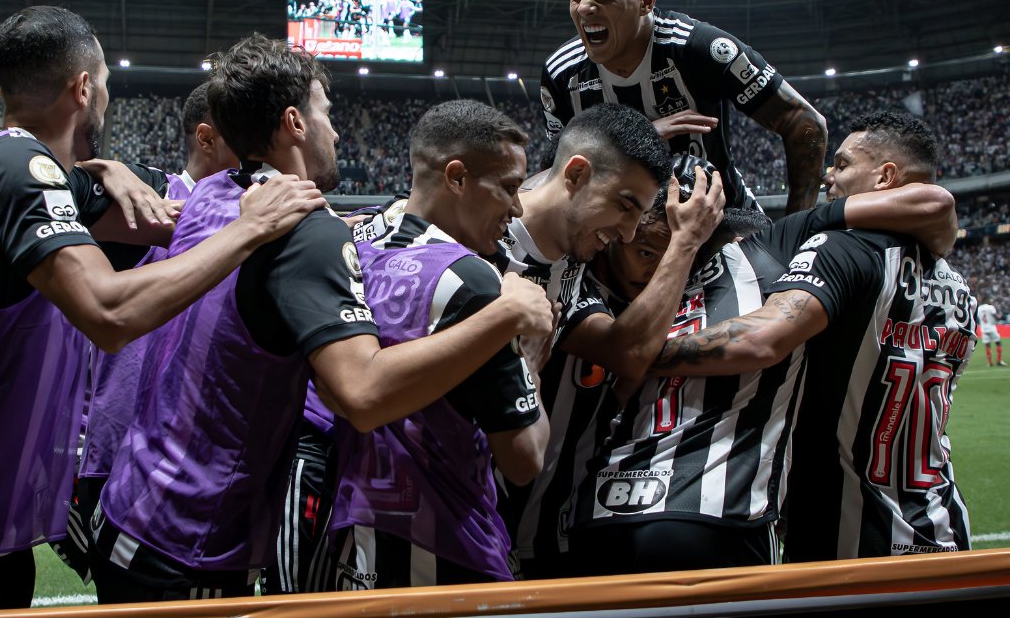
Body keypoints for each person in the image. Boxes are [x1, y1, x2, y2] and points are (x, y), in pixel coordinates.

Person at [0, 8, 324, 615]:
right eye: (106, 86)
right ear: (85, 88)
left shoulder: (11, 167)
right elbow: (109, 311)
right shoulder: (18, 167)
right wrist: (250, 230)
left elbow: (175, 219)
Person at [90, 35, 553, 603]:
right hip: (189, 540)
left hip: (128, 505)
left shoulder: (211, 193)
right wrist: (508, 312)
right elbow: (361, 392)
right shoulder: (307, 233)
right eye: (327, 114)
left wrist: (104, 167)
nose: (336, 131)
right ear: (295, 122)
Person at [567, 156, 958, 575]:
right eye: (644, 250)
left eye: (674, 249)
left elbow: (931, 204)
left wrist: (635, 358)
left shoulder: (770, 246)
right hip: (647, 516)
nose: (657, 267)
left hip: (674, 516)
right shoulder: (596, 276)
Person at [645, 110, 973, 561]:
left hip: (849, 530)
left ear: (886, 176)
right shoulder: (957, 284)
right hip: (941, 522)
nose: (827, 177)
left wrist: (644, 353)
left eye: (841, 165)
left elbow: (760, 338)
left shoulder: (841, 246)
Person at [491, 104, 724, 581]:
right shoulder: (476, 242)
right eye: (625, 205)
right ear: (577, 173)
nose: (628, 232)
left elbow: (624, 352)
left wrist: (627, 146)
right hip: (452, 516)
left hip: (545, 530)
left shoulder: (571, 268)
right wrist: (683, 243)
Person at [327, 100, 547, 589]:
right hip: (441, 540)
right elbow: (524, 458)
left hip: (348, 527)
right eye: (508, 187)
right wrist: (528, 353)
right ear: (456, 177)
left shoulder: (351, 243)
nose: (518, 207)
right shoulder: (474, 281)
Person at [49, 81, 242, 585]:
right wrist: (103, 168)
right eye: (245, 131)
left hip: (198, 460)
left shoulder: (257, 211)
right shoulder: (147, 192)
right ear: (207, 139)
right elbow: (44, 184)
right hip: (121, 453)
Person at [540, 0, 827, 213]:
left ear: (646, 1)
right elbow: (555, 173)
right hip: (614, 236)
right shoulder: (561, 74)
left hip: (724, 222)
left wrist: (796, 226)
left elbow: (803, 121)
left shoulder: (700, 49)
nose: (585, 8)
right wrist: (643, 136)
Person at [977, 300, 1005, 366]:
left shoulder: (979, 308)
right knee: (998, 343)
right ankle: (999, 361)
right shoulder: (990, 307)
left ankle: (990, 362)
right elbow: (996, 317)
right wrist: (1000, 316)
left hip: (983, 328)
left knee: (987, 345)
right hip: (991, 327)